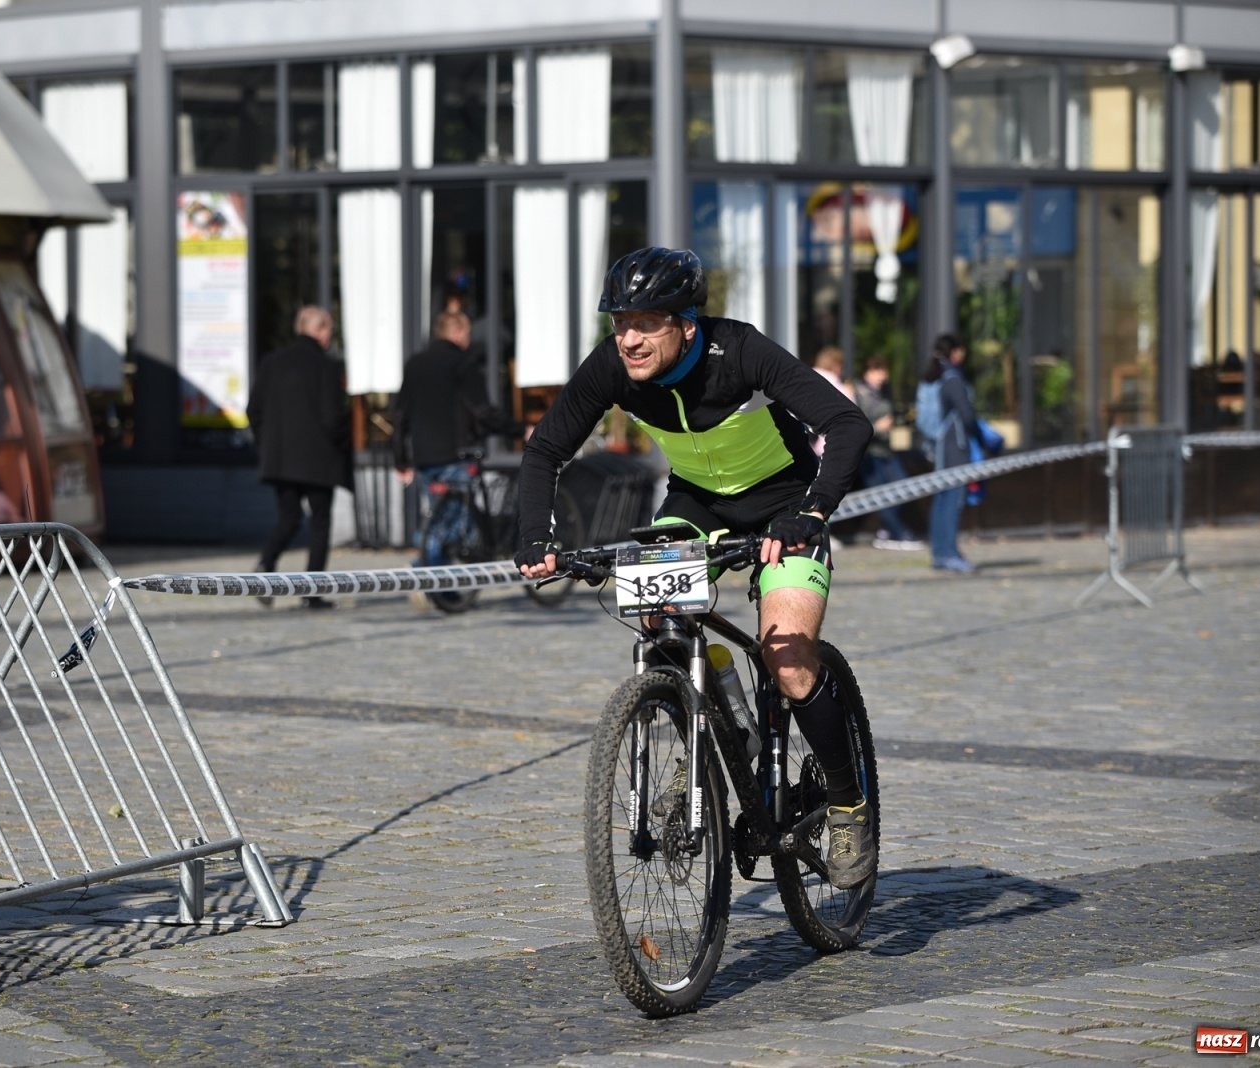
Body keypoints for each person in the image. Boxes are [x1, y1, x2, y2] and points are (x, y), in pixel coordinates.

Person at [513, 247, 876, 888]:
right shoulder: (613, 368)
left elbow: (847, 424)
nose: (628, 338)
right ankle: (704, 725)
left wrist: (813, 512)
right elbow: (545, 449)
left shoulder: (738, 351)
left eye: (646, 322)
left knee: (787, 659)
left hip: (786, 503)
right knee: (658, 621)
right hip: (696, 504)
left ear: (685, 323)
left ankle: (849, 804)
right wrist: (534, 538)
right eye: (619, 321)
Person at [392, 309, 528, 568]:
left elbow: (399, 415)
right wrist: (518, 430)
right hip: (456, 454)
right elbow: (483, 411)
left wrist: (401, 460)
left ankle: (444, 592)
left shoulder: (415, 364)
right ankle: (420, 570)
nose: (469, 338)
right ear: (456, 333)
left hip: (424, 458)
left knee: (439, 517)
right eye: (466, 332)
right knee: (451, 524)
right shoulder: (462, 364)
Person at [247, 306, 352, 609]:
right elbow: (333, 419)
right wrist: (342, 445)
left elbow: (254, 410)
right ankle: (312, 590)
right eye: (330, 329)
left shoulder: (272, 362)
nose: (331, 336)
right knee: (320, 522)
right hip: (319, 461)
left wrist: (267, 445)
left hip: (281, 459)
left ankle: (266, 565)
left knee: (289, 518)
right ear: (319, 330)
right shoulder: (327, 366)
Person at [921, 334, 982, 574]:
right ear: (955, 352)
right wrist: (980, 436)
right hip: (954, 448)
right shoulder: (954, 378)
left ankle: (941, 552)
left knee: (942, 499)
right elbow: (966, 415)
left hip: (943, 447)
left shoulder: (938, 376)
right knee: (952, 500)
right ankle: (947, 552)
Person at [853, 357, 924, 550]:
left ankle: (887, 531)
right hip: (868, 453)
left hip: (886, 451)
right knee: (881, 495)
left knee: (902, 488)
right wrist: (877, 427)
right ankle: (899, 534)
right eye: (876, 371)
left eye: (883, 372)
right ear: (866, 372)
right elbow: (854, 427)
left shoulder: (885, 391)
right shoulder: (857, 392)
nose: (880, 377)